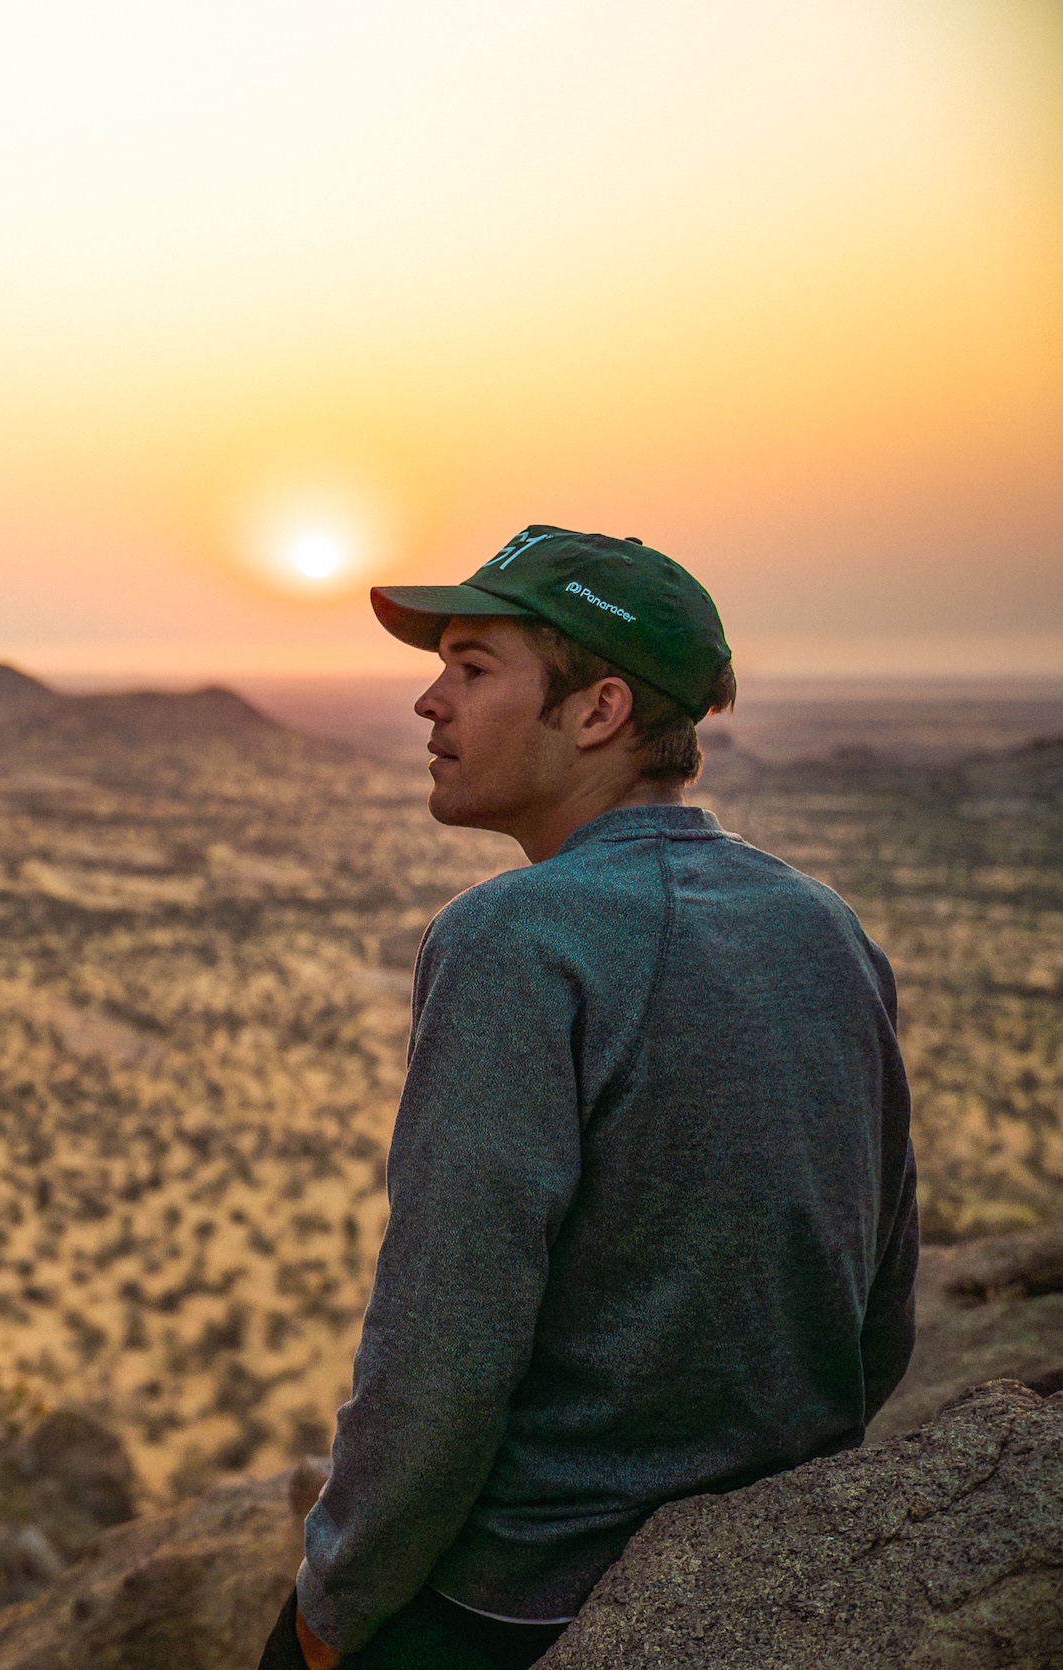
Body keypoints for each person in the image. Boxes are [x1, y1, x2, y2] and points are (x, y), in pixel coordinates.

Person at [257, 527, 918, 1670]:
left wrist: (334, 1600)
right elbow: (882, 1297)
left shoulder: (514, 937)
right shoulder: (825, 927)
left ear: (598, 710)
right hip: (766, 1563)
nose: (428, 700)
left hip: (518, 1596)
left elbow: (443, 1344)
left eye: (471, 668)